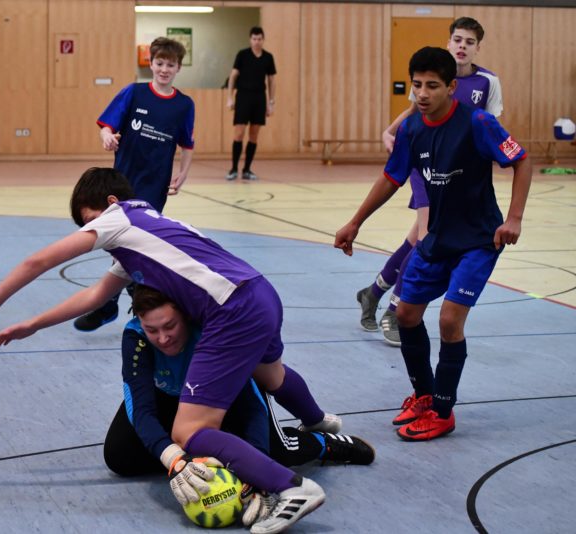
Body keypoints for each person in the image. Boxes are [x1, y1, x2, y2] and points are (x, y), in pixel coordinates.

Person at [0, 167, 337, 533]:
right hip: (259, 293)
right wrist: (34, 324)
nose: (90, 232)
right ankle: (320, 421)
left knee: (188, 431)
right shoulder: (151, 229)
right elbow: (95, 295)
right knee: (271, 375)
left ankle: (289, 488)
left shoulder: (117, 219)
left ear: (109, 203)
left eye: (89, 221)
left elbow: (38, 260)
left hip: (231, 310)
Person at [335, 47, 531, 441]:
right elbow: (392, 178)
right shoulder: (411, 128)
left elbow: (522, 161)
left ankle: (442, 411)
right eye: (417, 85)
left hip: (478, 240)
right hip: (436, 238)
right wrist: (355, 222)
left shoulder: (478, 121)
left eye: (432, 86)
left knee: (448, 320)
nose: (422, 93)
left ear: (451, 87)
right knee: (406, 314)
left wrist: (514, 219)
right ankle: (423, 396)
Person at [104, 284, 374, 527]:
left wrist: (255, 476)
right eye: (152, 329)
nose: (162, 338)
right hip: (170, 400)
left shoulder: (212, 334)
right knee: (120, 458)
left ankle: (322, 442)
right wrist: (175, 460)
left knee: (274, 454)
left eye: (170, 326)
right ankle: (207, 454)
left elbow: (252, 406)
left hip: (223, 399)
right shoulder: (136, 338)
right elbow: (140, 409)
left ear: (185, 315)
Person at [357, 17, 503, 346]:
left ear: (478, 47)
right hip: (426, 164)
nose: (462, 45)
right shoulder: (431, 76)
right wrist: (390, 131)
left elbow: (492, 125)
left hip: (459, 173)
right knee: (425, 233)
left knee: (416, 238)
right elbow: (412, 111)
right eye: (457, 40)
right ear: (449, 43)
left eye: (469, 41)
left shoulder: (488, 83)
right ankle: (395, 310)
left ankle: (373, 291)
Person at [74, 36, 195, 333]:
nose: (164, 69)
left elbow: (187, 144)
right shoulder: (134, 93)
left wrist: (182, 173)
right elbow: (107, 125)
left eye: (170, 65)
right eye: (159, 63)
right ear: (150, 63)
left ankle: (116, 305)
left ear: (179, 67)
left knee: (134, 244)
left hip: (155, 187)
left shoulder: (183, 104)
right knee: (120, 243)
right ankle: (126, 302)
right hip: (124, 184)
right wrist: (106, 136)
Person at [225, 26, 276, 181]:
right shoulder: (243, 55)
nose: (256, 42)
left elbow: (272, 80)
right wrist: (230, 97)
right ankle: (233, 169)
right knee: (239, 133)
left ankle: (247, 169)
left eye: (259, 39)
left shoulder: (268, 57)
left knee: (254, 135)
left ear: (263, 39)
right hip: (243, 97)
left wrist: (271, 102)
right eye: (254, 39)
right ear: (250, 39)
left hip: (259, 97)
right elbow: (233, 77)